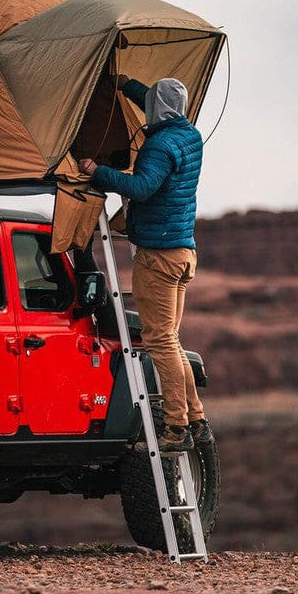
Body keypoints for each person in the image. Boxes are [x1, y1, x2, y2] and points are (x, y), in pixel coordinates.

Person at [78, 75, 213, 455]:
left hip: (157, 256)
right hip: (183, 253)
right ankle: (197, 419)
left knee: (158, 341)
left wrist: (96, 172)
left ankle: (177, 426)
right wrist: (125, 83)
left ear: (157, 110)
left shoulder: (157, 147)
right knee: (171, 339)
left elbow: (141, 188)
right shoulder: (189, 136)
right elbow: (158, 102)